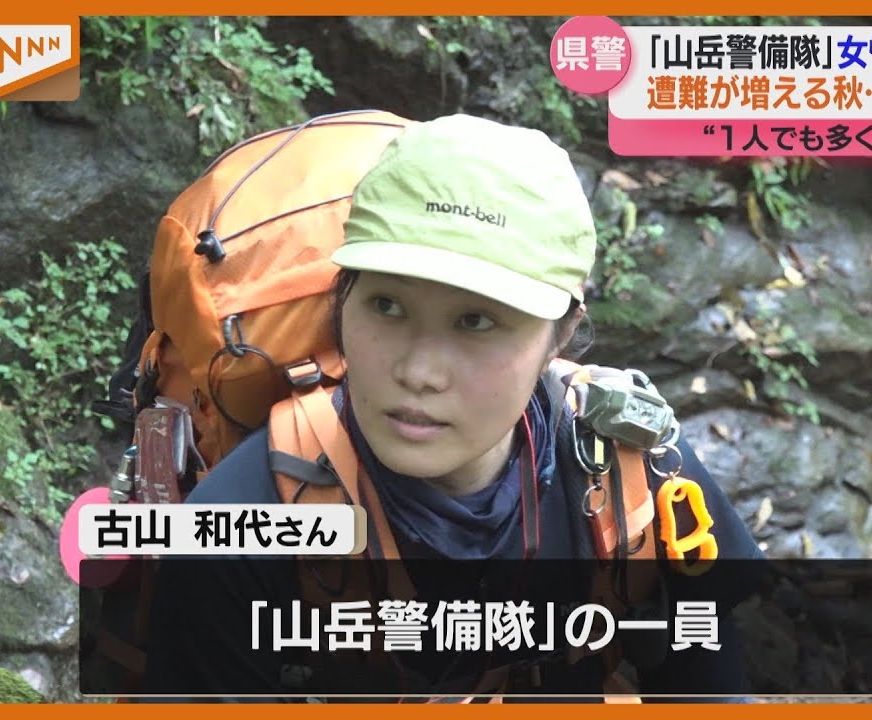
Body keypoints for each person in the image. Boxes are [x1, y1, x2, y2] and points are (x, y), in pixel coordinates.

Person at [137, 113, 764, 702]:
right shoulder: (239, 528)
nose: (418, 372)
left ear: (562, 334)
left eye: (475, 321)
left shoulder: (637, 475)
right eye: (387, 306)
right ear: (341, 301)